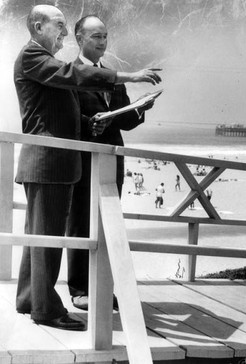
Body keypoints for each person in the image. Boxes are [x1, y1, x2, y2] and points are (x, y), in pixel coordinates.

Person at [14, 4, 161, 331]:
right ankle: (47, 310)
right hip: (49, 162)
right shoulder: (32, 57)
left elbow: (60, 106)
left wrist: (93, 120)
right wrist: (128, 75)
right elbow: (74, 75)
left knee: (41, 237)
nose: (64, 33)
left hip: (50, 162)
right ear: (38, 28)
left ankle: (28, 298)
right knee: (49, 239)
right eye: (59, 26)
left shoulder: (43, 61)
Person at [66, 15, 158, 311]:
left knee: (109, 225)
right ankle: (79, 288)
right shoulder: (69, 73)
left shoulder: (113, 77)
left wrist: (141, 107)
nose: (102, 42)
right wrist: (87, 123)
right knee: (81, 222)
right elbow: (68, 118)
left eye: (105, 36)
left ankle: (102, 286)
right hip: (83, 158)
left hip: (112, 158)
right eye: (96, 37)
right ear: (79, 38)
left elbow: (125, 121)